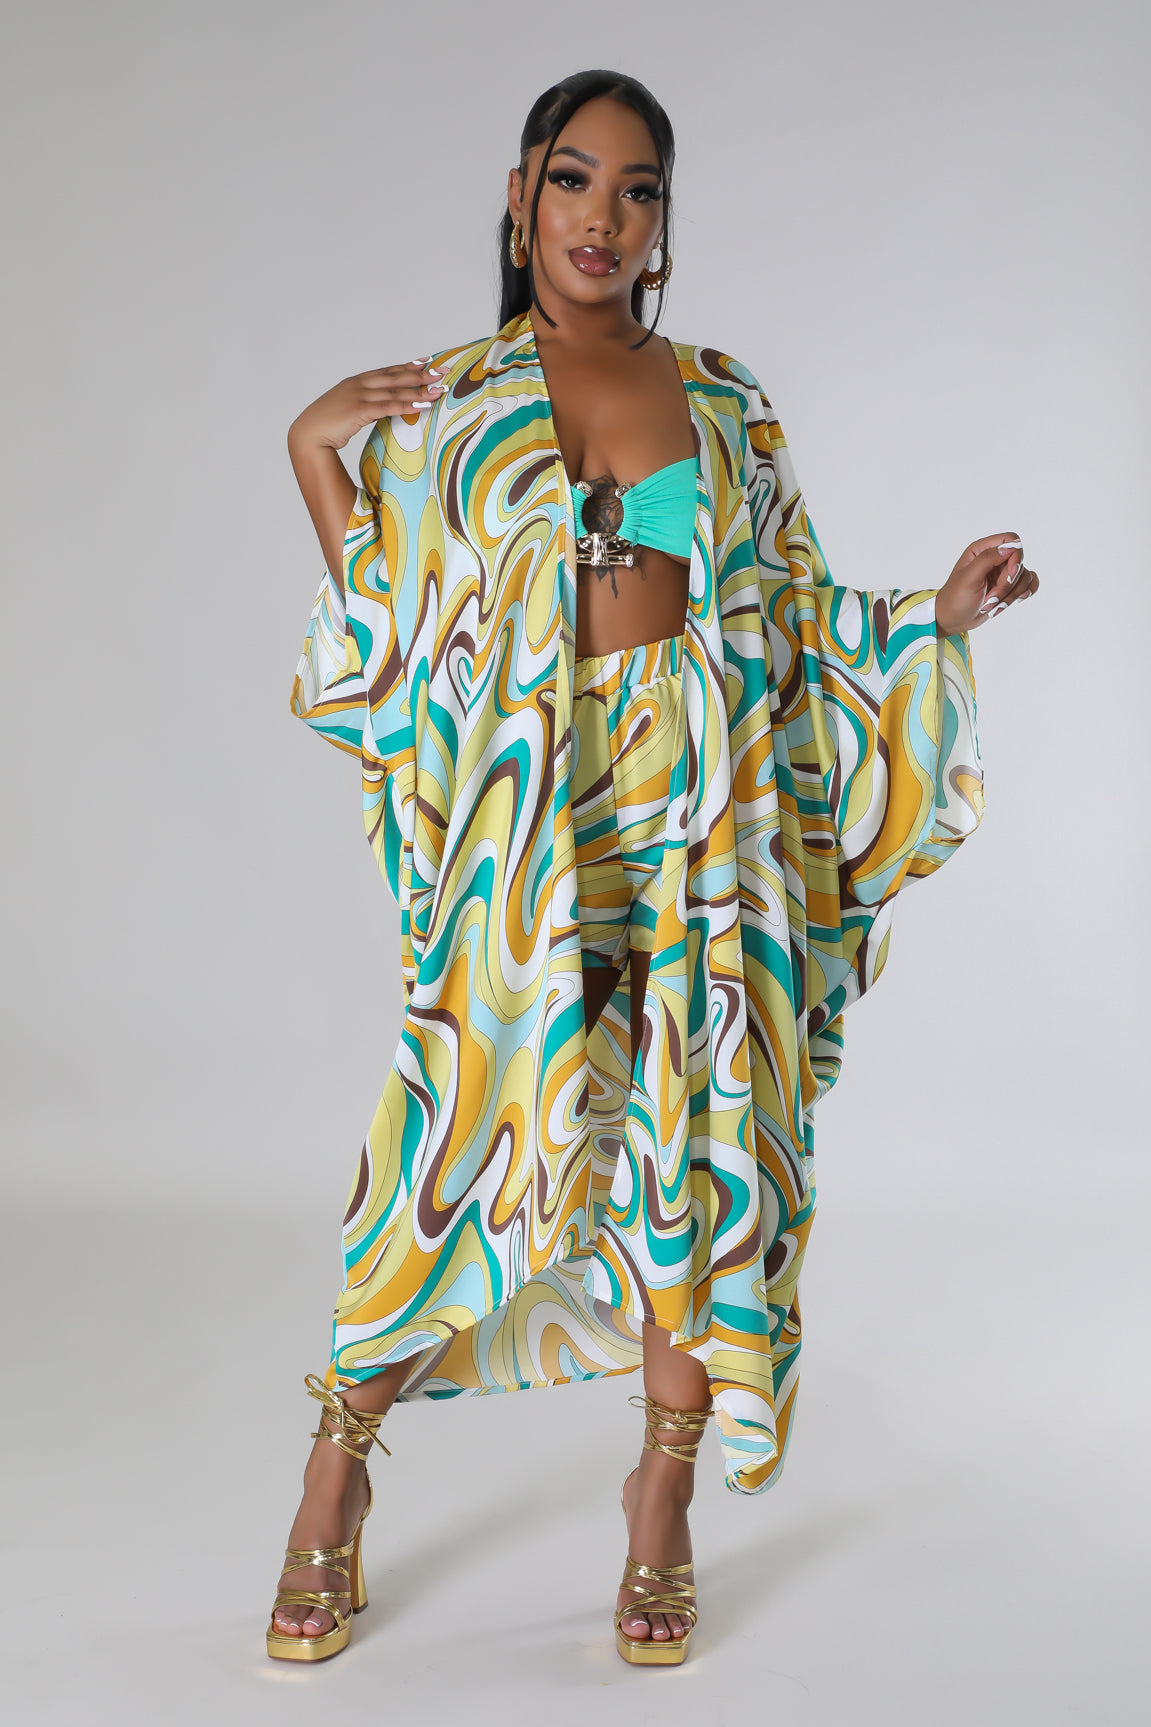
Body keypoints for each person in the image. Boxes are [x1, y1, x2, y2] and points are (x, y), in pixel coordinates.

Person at [268, 68, 1039, 1668]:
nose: (602, 218)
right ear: (519, 197)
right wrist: (314, 445)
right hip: (530, 820)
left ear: (663, 224)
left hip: (700, 811)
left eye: (637, 191)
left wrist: (934, 622)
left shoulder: (725, 399)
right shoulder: (455, 398)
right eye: (573, 180)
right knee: (465, 1125)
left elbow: (792, 614)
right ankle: (337, 1467)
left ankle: (661, 1499)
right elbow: (397, 624)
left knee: (699, 1140)